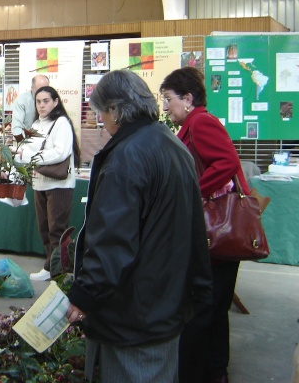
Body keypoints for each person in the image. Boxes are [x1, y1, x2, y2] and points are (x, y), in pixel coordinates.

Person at [64, 70, 212, 383]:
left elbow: (113, 240)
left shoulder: (127, 157)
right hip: (166, 304)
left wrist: (86, 294)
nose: (102, 121)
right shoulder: (172, 145)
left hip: (133, 314)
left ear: (116, 110)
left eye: (101, 113)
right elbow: (195, 228)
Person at [160, 66, 249, 383]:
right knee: (214, 307)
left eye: (169, 99)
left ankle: (198, 372)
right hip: (214, 234)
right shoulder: (193, 124)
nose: (166, 106)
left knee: (203, 308)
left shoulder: (201, 121)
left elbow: (227, 163)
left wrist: (194, 191)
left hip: (215, 232)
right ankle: (215, 371)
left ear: (187, 98)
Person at [17, 85, 80, 281]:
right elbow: (27, 152)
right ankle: (50, 266)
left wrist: (30, 156)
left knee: (57, 230)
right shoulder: (36, 124)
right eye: (38, 101)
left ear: (55, 102)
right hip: (40, 183)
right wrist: (23, 155)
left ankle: (60, 271)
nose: (42, 105)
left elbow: (60, 152)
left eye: (46, 101)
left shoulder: (61, 123)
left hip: (58, 185)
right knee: (45, 228)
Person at [11, 74, 49, 142]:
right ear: (32, 88)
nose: (43, 93)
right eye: (39, 90)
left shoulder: (52, 100)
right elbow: (16, 128)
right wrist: (25, 146)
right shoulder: (21, 101)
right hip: (27, 142)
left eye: (46, 89)